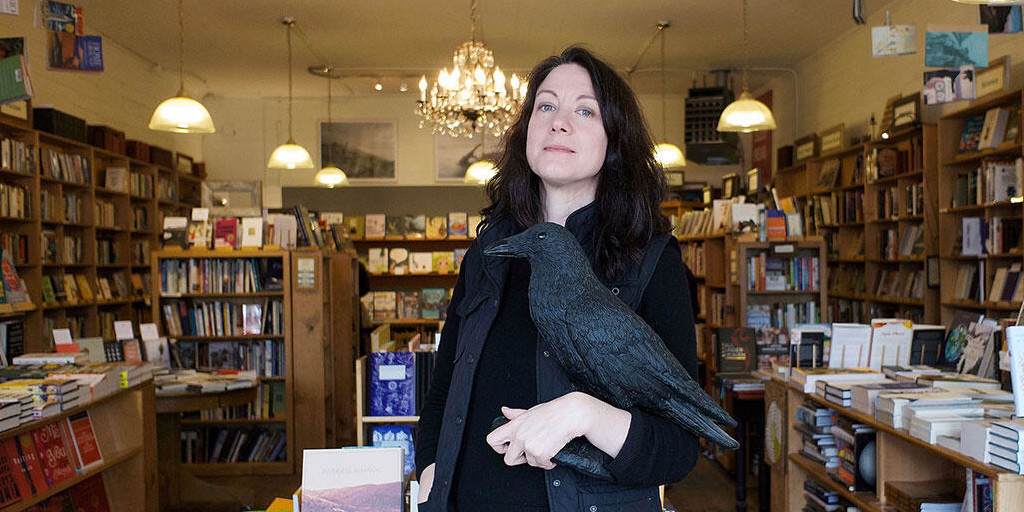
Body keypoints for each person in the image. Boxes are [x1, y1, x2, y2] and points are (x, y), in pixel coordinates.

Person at [415, 45, 700, 512]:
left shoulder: (650, 260)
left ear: (615, 139)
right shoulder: (488, 254)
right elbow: (443, 390)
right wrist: (430, 472)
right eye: (546, 105)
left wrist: (583, 414)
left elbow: (679, 447)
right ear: (526, 129)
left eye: (585, 110)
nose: (558, 121)